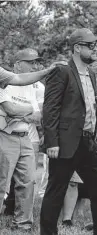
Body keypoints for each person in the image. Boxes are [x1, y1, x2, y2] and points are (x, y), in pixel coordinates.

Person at [40, 28, 97, 235]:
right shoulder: (61, 71)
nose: (95, 48)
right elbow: (50, 108)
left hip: (88, 142)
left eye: (96, 45)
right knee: (56, 190)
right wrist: (52, 141)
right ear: (77, 48)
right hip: (64, 142)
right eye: (91, 46)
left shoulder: (92, 74)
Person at [0, 48, 45, 231]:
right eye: (30, 62)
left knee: (28, 181)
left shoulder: (36, 87)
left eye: (36, 62)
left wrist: (20, 112)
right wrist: (26, 112)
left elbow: (39, 116)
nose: (35, 65)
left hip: (26, 137)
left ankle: (23, 224)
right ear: (18, 64)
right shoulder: (5, 82)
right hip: (5, 135)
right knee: (2, 183)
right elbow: (10, 110)